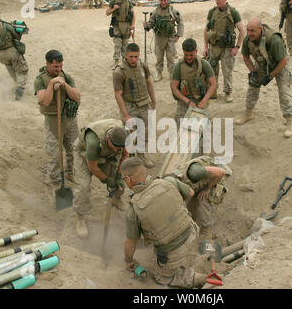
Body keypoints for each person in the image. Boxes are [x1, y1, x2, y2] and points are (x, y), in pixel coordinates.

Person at [121, 157, 210, 288]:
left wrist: (128, 261)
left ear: (128, 179)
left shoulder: (133, 209)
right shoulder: (168, 181)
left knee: (161, 277)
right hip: (192, 232)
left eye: (124, 179)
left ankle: (199, 280)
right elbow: (190, 192)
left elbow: (130, 243)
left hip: (174, 251)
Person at [235, 18, 292, 138]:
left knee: (284, 91)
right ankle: (248, 113)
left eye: (253, 30)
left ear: (260, 29)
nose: (249, 33)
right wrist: (253, 72)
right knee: (252, 86)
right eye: (248, 30)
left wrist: (270, 76)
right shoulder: (248, 39)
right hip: (262, 63)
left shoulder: (273, 40)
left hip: (280, 63)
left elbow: (283, 61)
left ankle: (289, 122)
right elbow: (246, 57)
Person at [72, 119, 129, 237]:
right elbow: (93, 167)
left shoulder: (123, 137)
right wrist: (107, 180)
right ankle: (80, 218)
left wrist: (118, 176)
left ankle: (117, 199)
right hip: (84, 153)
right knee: (83, 186)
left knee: (120, 180)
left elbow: (125, 155)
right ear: (108, 138)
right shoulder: (93, 142)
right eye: (114, 147)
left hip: (106, 153)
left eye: (118, 148)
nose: (116, 150)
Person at [34, 50, 81, 190]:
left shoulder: (66, 76)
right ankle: (55, 181)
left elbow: (76, 96)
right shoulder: (40, 80)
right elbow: (45, 101)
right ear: (47, 64)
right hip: (53, 120)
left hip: (69, 119)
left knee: (75, 149)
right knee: (54, 154)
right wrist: (51, 85)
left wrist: (64, 85)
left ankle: (70, 173)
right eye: (56, 67)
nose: (59, 69)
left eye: (60, 66)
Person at [113, 43, 156, 168]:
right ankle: (131, 159)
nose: (134, 60)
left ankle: (141, 156)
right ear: (126, 55)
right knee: (130, 135)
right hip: (129, 106)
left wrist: (153, 100)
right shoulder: (119, 72)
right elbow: (118, 94)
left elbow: (149, 82)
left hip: (144, 105)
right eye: (131, 56)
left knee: (145, 132)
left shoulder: (142, 66)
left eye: (136, 57)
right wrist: (126, 115)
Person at [171, 156, 231, 240]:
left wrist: (208, 188)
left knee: (203, 199)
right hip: (203, 176)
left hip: (217, 175)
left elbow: (220, 172)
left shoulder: (194, 173)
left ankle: (206, 229)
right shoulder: (173, 178)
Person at [203, 0, 244, 103]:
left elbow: (242, 31)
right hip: (214, 47)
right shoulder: (212, 12)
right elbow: (206, 30)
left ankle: (228, 92)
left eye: (219, 0)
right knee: (212, 70)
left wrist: (237, 47)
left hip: (227, 48)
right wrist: (206, 47)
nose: (217, 2)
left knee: (227, 71)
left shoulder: (233, 13)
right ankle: (213, 91)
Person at [0, 6, 28, 100]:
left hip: (1, 55)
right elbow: (16, 36)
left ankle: (17, 86)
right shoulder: (4, 25)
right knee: (22, 70)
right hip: (11, 51)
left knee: (12, 71)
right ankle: (19, 89)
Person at [171, 38, 216, 126]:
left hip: (201, 99)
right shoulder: (178, 66)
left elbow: (213, 84)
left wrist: (204, 101)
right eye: (186, 55)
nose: (188, 57)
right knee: (181, 123)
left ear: (196, 51)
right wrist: (188, 102)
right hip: (185, 100)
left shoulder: (204, 64)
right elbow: (174, 87)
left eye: (191, 55)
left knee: (201, 126)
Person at [143, 0, 184, 82]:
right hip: (159, 38)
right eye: (161, 0)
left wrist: (178, 35)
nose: (163, 2)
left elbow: (180, 22)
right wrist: (146, 26)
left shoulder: (173, 11)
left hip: (170, 38)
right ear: (159, 0)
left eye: (165, 0)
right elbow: (151, 23)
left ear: (168, 0)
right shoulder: (155, 12)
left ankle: (172, 73)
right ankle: (159, 73)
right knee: (159, 57)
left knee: (170, 57)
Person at [106, 0, 135, 69]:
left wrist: (132, 24)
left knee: (125, 45)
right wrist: (113, 9)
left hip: (126, 25)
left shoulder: (128, 1)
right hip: (117, 25)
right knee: (117, 44)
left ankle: (124, 61)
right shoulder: (114, 1)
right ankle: (116, 61)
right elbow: (107, 13)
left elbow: (133, 13)